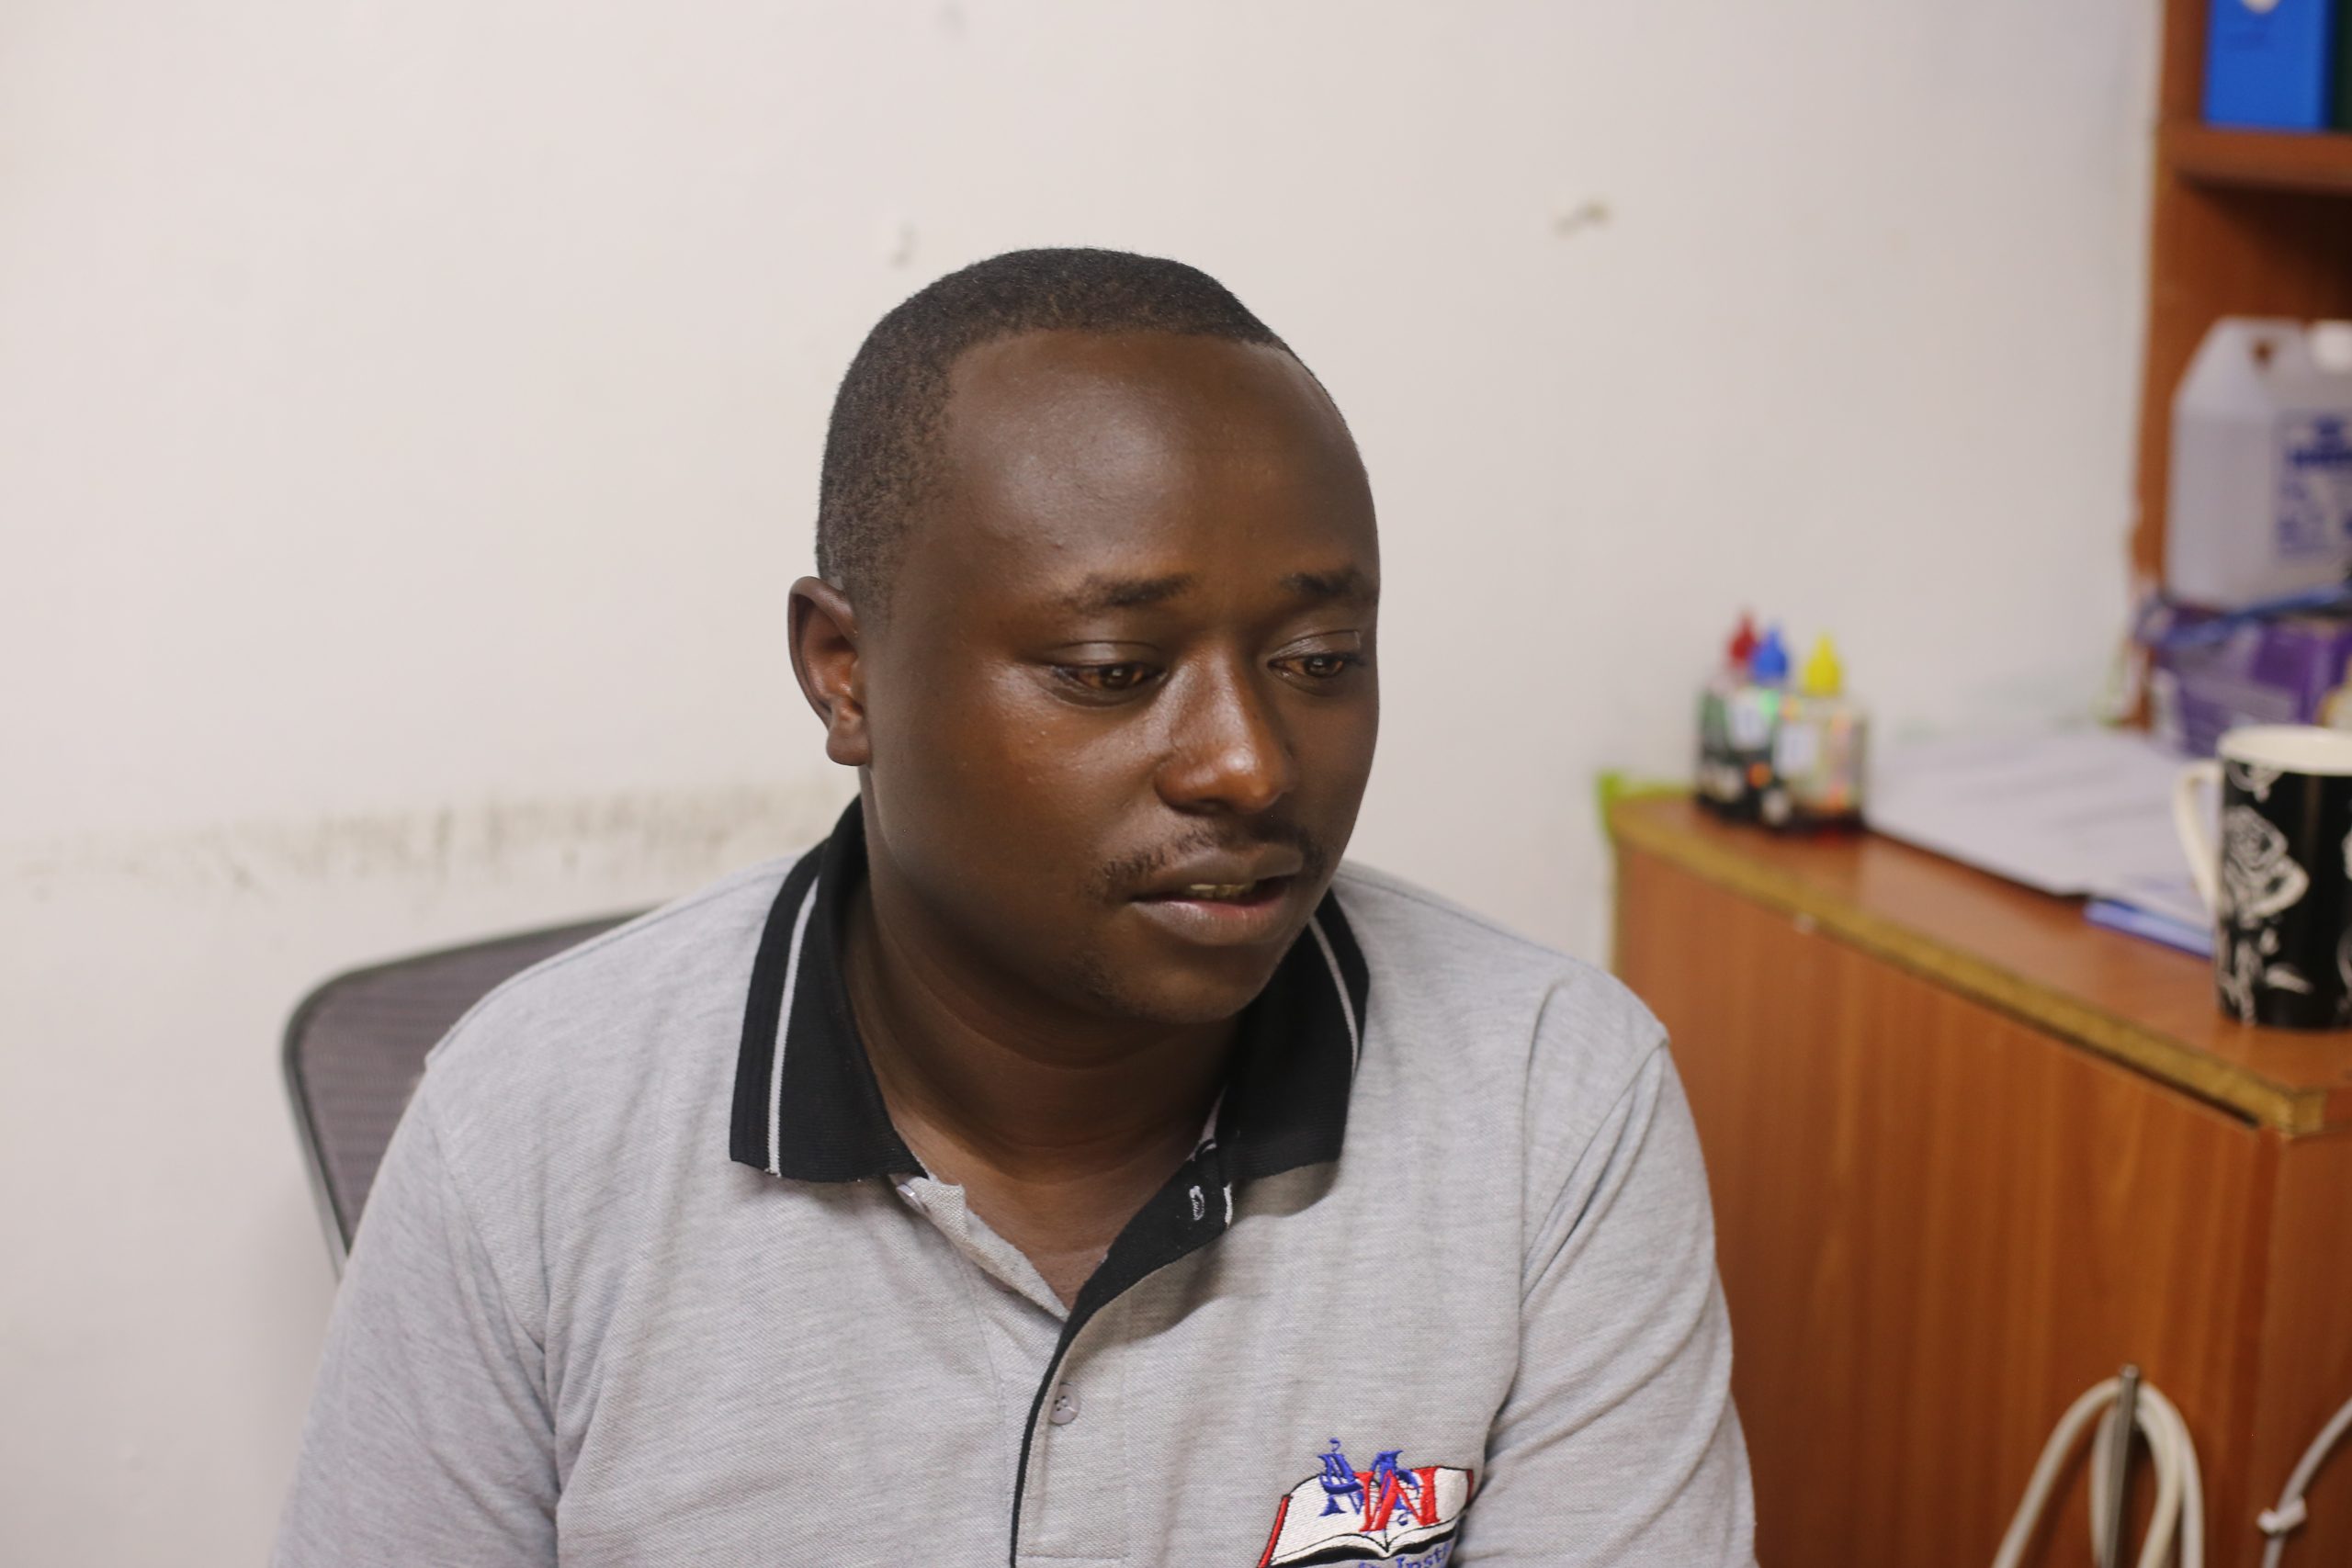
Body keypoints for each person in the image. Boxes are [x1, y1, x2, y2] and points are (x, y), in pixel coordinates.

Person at [274, 247, 1756, 1566]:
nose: (1247, 763)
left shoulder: (1554, 1103)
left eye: (1318, 658)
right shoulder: (528, 1126)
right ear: (844, 674)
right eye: (1113, 670)